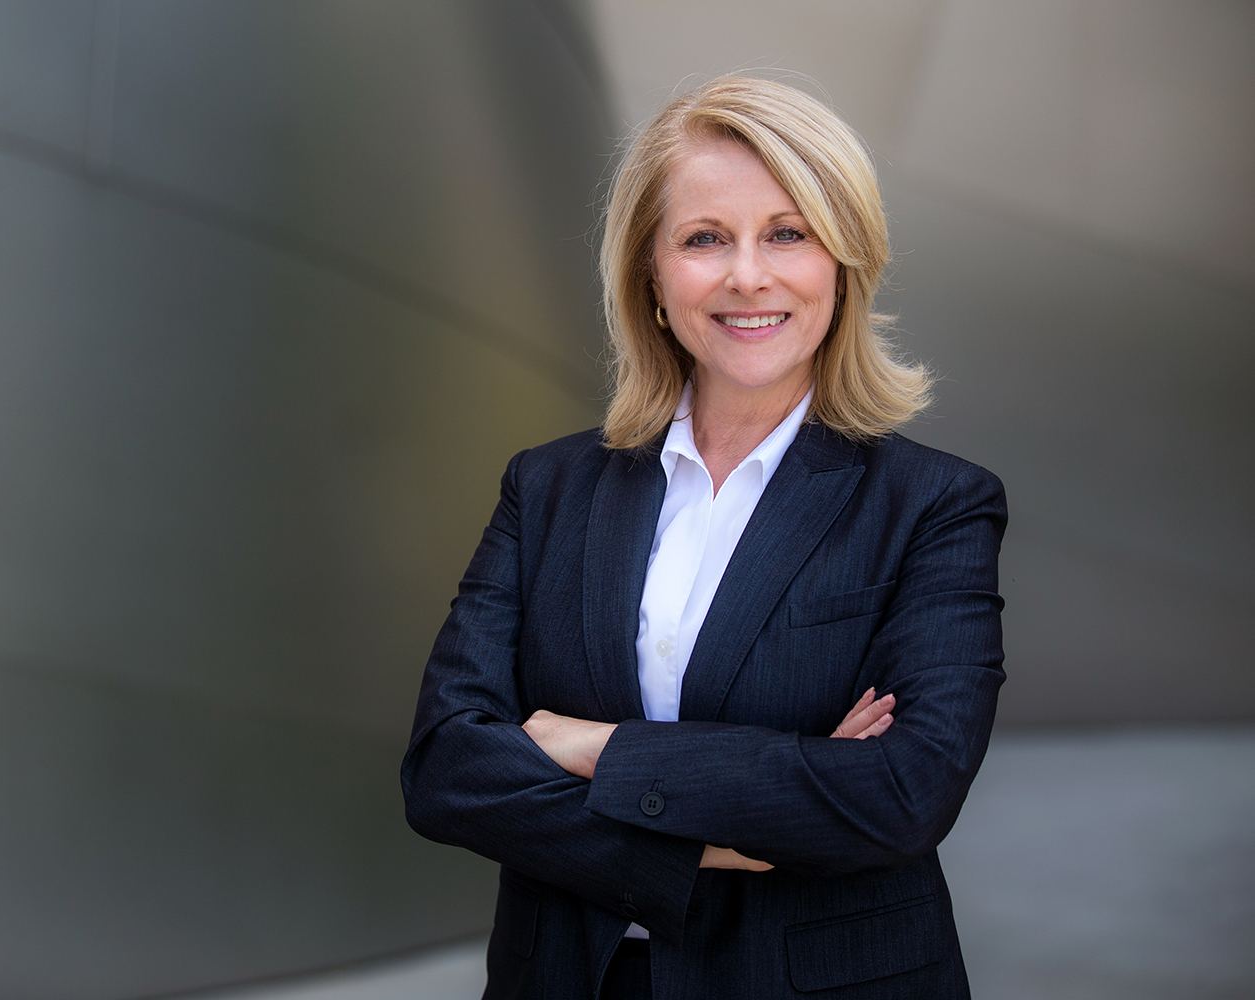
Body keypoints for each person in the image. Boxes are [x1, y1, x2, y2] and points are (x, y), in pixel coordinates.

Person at [401, 75, 1006, 999]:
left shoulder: (935, 505)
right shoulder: (548, 487)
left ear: (843, 262)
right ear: (649, 274)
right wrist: (714, 840)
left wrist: (589, 746)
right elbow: (447, 768)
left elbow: (898, 796)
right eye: (704, 239)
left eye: (788, 233)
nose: (748, 275)